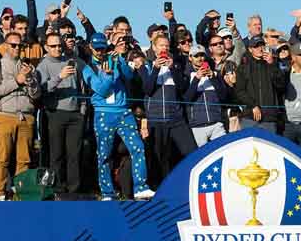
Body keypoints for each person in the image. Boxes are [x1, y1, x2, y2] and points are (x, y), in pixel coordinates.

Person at [82, 33, 154, 201]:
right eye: (97, 49)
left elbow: (129, 76)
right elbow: (102, 90)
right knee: (104, 154)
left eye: (103, 48)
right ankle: (107, 192)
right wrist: (107, 75)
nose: (100, 52)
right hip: (103, 114)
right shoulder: (88, 67)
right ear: (91, 47)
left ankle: (141, 187)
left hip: (123, 111)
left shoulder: (114, 59)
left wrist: (120, 59)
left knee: (137, 147)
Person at [0, 31, 41, 201]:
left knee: (24, 160)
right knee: (3, 158)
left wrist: (30, 79)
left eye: (20, 45)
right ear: (5, 45)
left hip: (26, 117)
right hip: (5, 116)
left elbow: (37, 95)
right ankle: (0, 193)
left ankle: (21, 194)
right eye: (13, 45)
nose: (17, 48)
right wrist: (16, 81)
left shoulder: (29, 67)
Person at [138, 33, 196, 185]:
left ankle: (188, 184)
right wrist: (156, 69)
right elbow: (147, 89)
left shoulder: (176, 65)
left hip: (176, 119)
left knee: (191, 152)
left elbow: (183, 88)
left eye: (166, 46)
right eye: (161, 45)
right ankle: (158, 190)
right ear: (154, 47)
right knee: (159, 159)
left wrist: (172, 69)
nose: (164, 48)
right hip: (156, 120)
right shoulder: (146, 66)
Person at [37, 32, 86, 194]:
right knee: (57, 154)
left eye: (59, 45)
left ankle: (74, 190)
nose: (57, 48)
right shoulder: (43, 65)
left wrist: (82, 110)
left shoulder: (71, 62)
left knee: (74, 154)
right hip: (55, 113)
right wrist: (59, 76)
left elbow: (81, 87)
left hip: (75, 115)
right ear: (46, 47)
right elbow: (41, 90)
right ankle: (57, 189)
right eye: (53, 46)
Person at [235, 35, 285, 133]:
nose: (260, 48)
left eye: (262, 45)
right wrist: (253, 105)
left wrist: (272, 64)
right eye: (256, 46)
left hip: (269, 119)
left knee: (269, 147)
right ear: (250, 49)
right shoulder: (243, 68)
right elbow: (240, 91)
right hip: (249, 118)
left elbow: (281, 85)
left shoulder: (272, 64)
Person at [183, 44, 228, 147]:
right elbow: (187, 99)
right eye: (196, 56)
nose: (200, 58)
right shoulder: (186, 75)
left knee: (223, 149)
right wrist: (196, 79)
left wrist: (213, 78)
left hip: (216, 123)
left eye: (202, 55)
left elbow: (223, 96)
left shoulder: (215, 74)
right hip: (197, 126)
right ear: (190, 58)